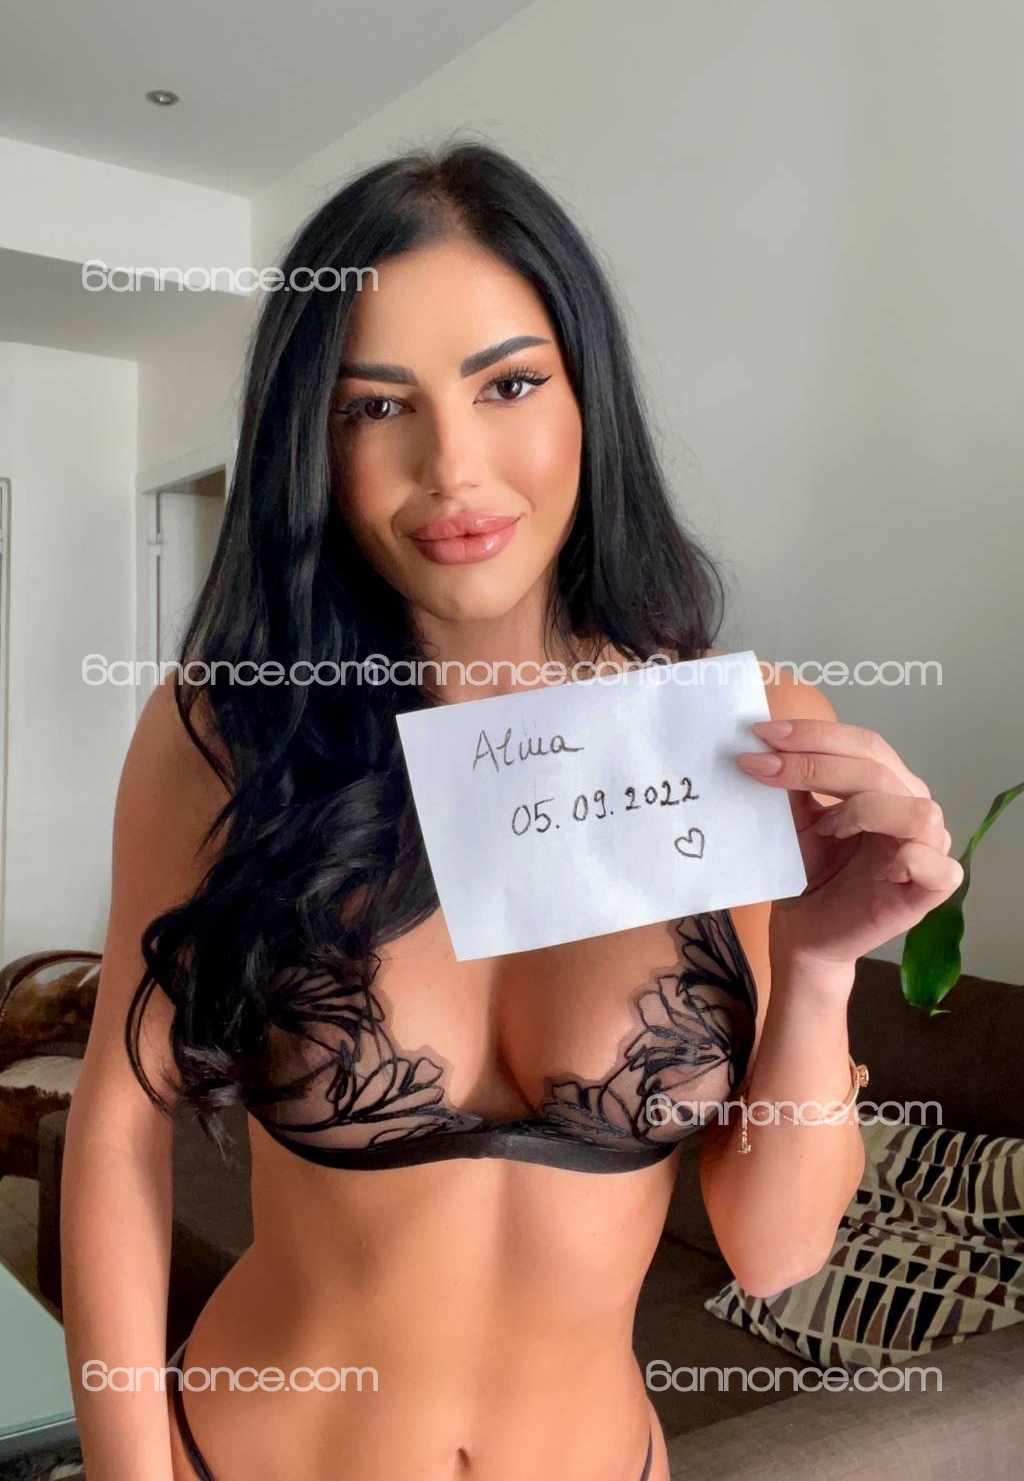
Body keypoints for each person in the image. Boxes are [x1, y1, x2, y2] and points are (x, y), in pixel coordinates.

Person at [61, 140, 962, 1481]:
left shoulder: (739, 734)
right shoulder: (229, 730)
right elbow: (118, 1122)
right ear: (312, 442)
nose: (453, 465)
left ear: (589, 394)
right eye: (378, 406)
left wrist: (823, 965)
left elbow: (774, 1251)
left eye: (510, 383)